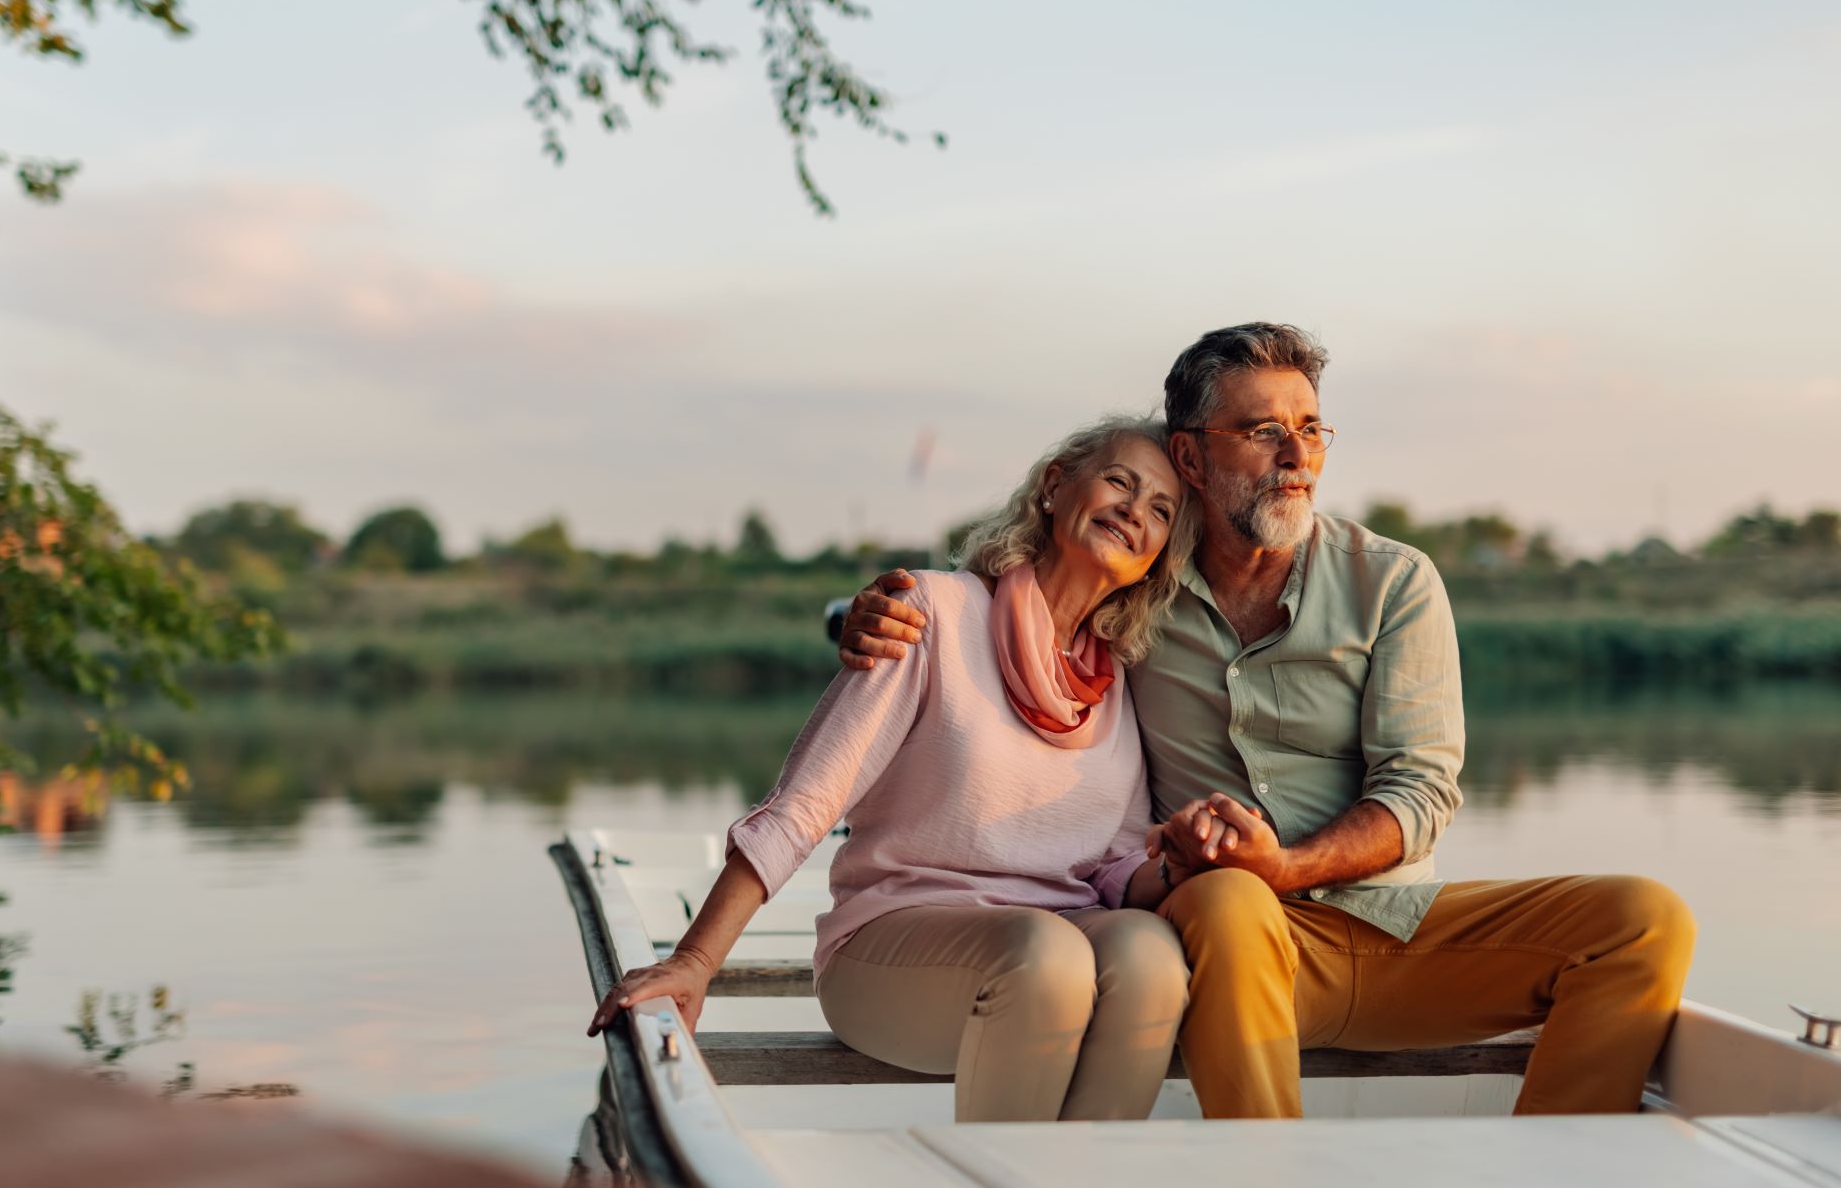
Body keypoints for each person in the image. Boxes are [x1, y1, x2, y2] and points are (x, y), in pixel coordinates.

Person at [840, 323, 1696, 1119]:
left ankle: (1557, 1179)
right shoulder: (1136, 582)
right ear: (1192, 455)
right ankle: (1270, 1180)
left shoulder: (1393, 582)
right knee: (1227, 897)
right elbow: (1005, 602)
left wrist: (1285, 865)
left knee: (1643, 919)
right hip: (1221, 937)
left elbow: (1421, 790)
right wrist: (862, 615)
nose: (1297, 456)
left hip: (1392, 929)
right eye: (1261, 432)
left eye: (1312, 429)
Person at [589, 415, 1196, 1122]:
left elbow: (1117, 866)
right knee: (1048, 956)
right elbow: (807, 801)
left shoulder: (1117, 681)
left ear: (1158, 556)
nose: (1134, 510)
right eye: (1119, 482)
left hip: (1057, 936)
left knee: (1151, 955)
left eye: (1161, 510)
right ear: (1055, 487)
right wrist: (695, 960)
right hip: (895, 947)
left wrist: (1182, 861)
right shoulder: (929, 613)